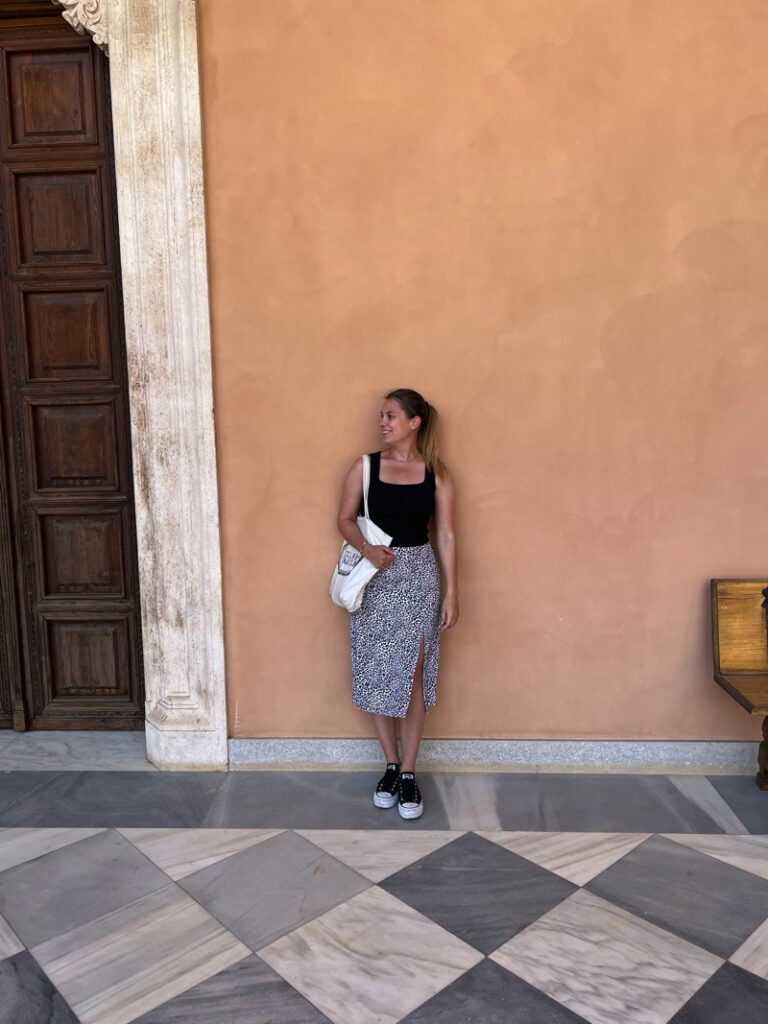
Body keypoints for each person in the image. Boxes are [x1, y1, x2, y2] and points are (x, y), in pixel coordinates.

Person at [336, 388, 458, 819]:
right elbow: (344, 519)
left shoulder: (436, 473)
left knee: (413, 674)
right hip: (375, 579)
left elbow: (445, 534)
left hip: (420, 577)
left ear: (414, 422)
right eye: (381, 416)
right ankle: (390, 765)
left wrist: (452, 592)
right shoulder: (365, 467)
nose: (382, 423)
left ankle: (408, 772)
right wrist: (367, 550)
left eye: (390, 416)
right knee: (378, 670)